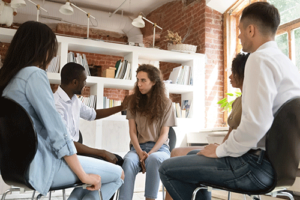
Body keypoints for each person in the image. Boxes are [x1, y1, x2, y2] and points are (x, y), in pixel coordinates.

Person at [159, 2, 300, 200]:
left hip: (256, 168)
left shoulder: (258, 59)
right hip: (280, 168)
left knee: (167, 168)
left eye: (241, 30)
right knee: (192, 157)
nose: (240, 35)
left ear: (251, 30)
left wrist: (220, 150)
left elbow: (256, 125)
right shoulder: (287, 64)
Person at [0, 21, 124, 200]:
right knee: (118, 174)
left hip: (15, 168)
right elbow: (58, 133)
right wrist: (83, 175)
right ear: (43, 49)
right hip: (42, 166)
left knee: (94, 179)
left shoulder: (8, 81)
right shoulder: (33, 75)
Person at [164, 52, 249, 200]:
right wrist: (220, 147)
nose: (229, 77)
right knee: (178, 153)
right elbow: (230, 134)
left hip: (233, 158)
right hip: (226, 150)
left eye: (233, 72)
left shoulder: (251, 101)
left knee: (175, 163)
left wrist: (220, 150)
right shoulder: (238, 101)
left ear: (242, 73)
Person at [118, 64, 177, 200]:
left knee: (154, 159)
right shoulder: (133, 102)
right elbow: (132, 132)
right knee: (128, 161)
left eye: (143, 80)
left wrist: (149, 154)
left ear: (154, 82)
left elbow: (164, 135)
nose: (139, 84)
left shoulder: (166, 104)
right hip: (137, 149)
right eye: (138, 80)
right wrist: (139, 152)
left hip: (159, 149)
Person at [54, 62, 128, 166]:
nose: (85, 84)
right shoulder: (57, 105)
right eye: (84, 81)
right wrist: (102, 152)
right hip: (66, 156)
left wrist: (121, 107)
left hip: (75, 151)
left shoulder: (74, 99)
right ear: (75, 82)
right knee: (115, 162)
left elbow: (93, 114)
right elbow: (67, 144)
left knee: (118, 160)